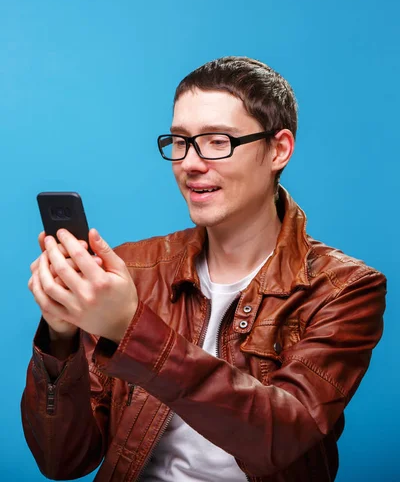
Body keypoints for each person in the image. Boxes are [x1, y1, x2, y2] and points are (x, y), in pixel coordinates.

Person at [22, 56, 386, 482]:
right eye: (179, 141)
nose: (190, 163)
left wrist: (130, 329)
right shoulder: (134, 271)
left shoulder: (343, 287)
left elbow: (282, 437)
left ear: (279, 149)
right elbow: (63, 461)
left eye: (217, 141)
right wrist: (60, 336)